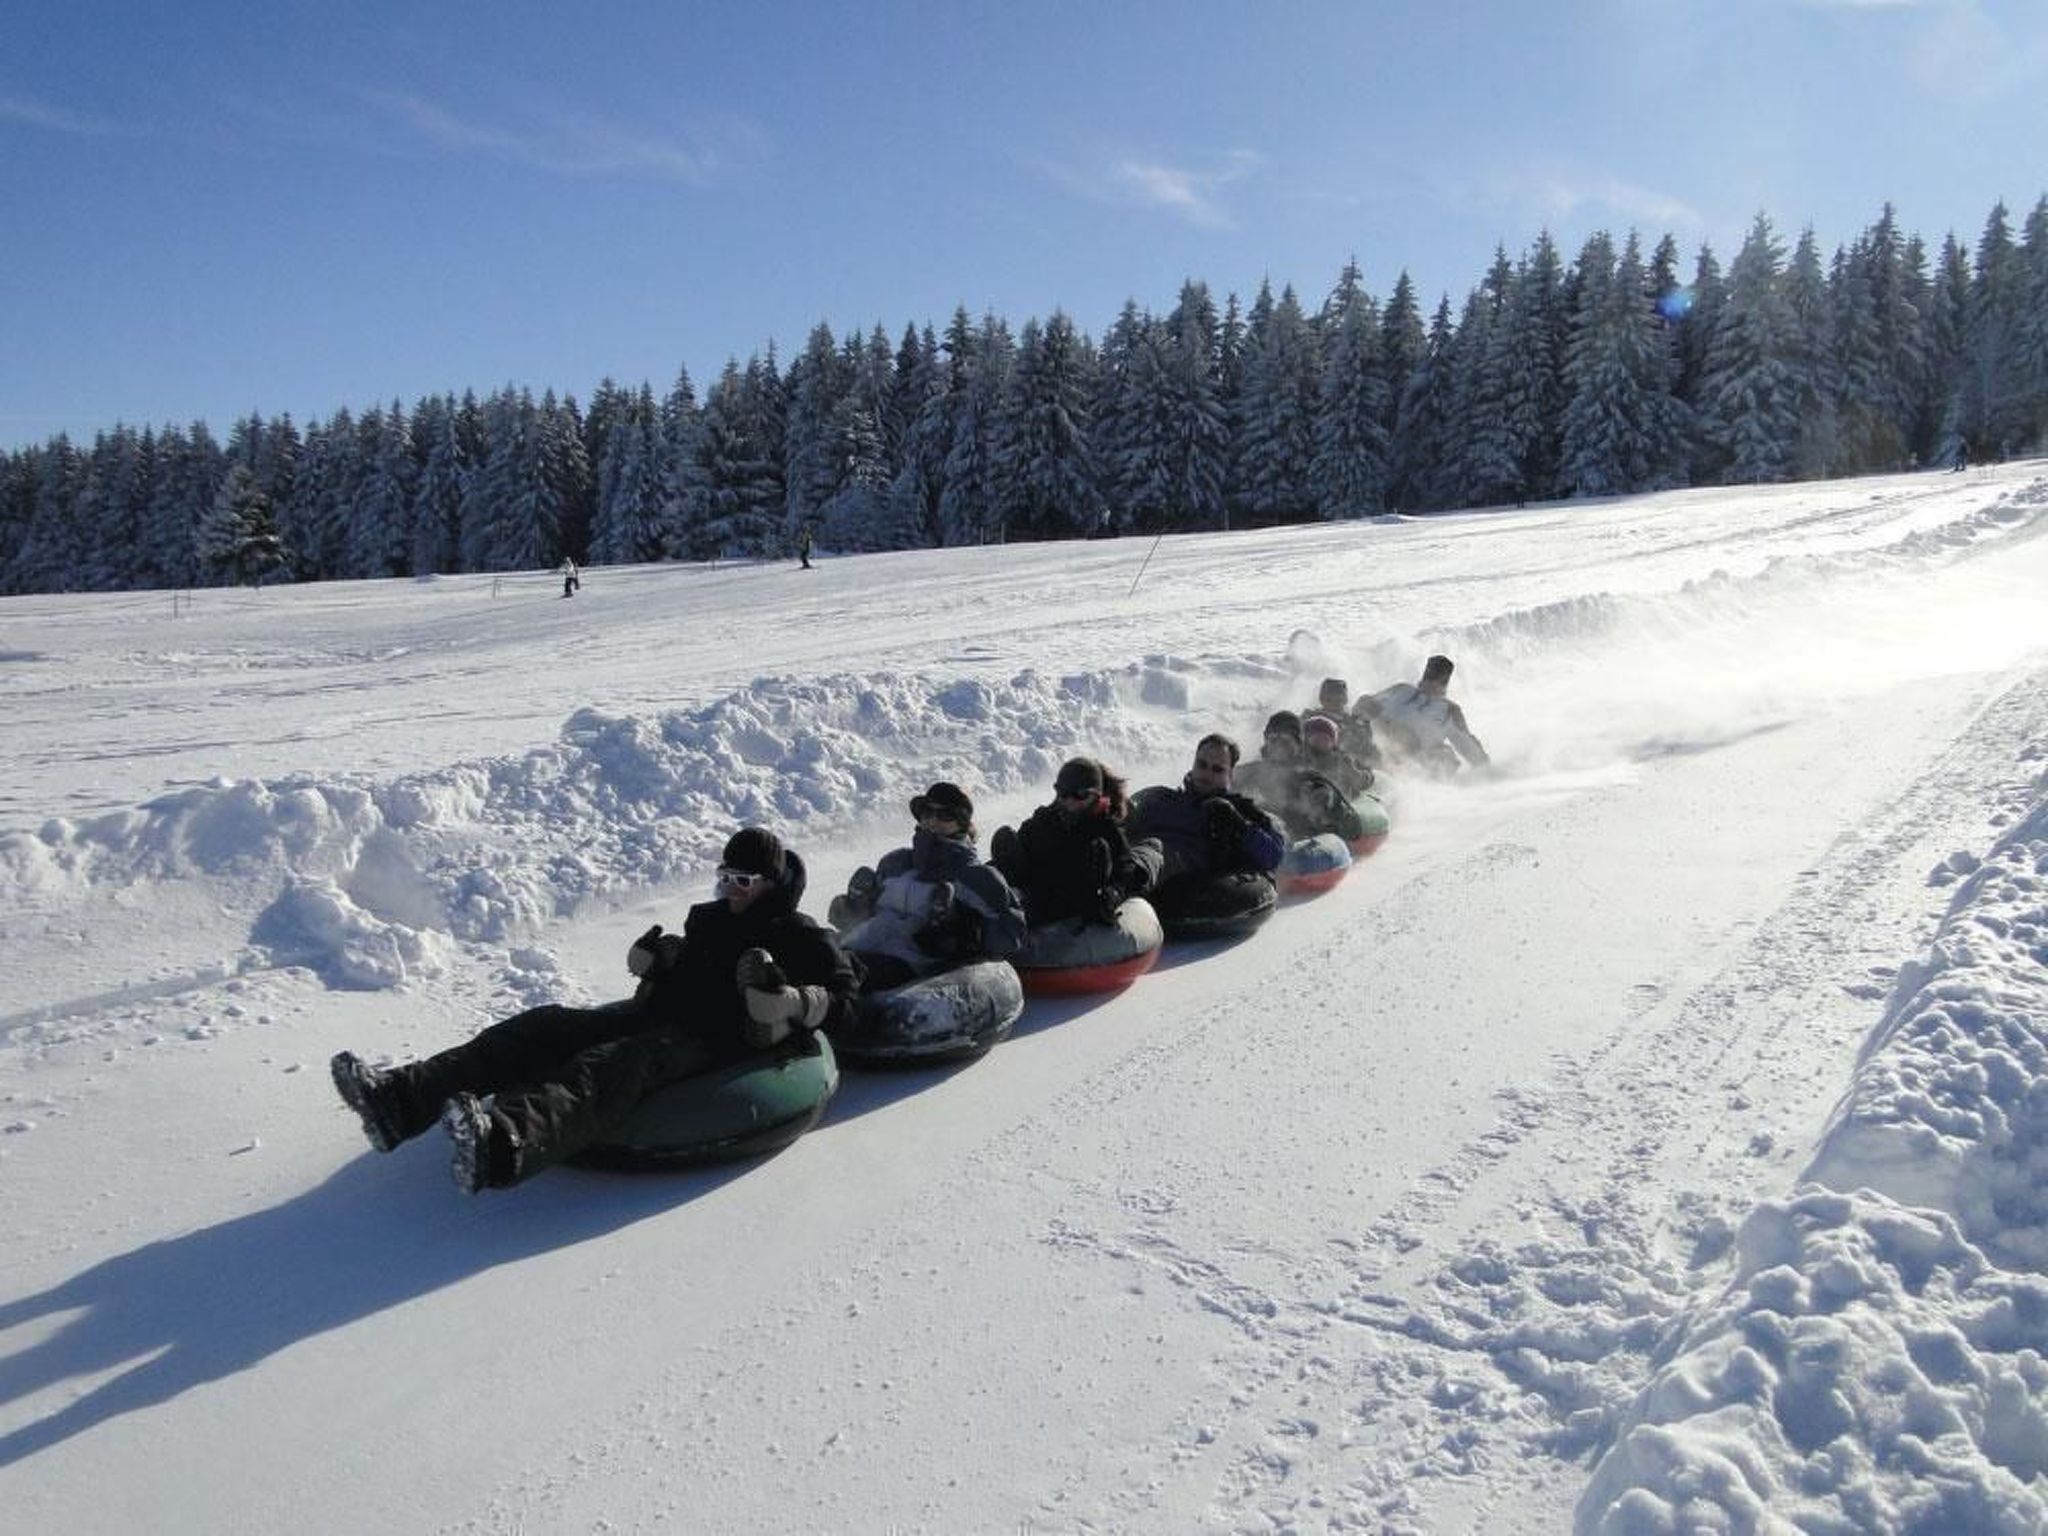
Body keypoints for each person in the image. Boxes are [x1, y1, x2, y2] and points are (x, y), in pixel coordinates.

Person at [329, 827, 857, 1193]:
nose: (731, 891)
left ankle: (503, 1144)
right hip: (666, 1012)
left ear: (770, 884)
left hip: (721, 1037)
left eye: (743, 882)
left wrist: (796, 1001)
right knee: (544, 1026)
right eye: (726, 878)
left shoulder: (800, 935)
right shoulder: (710, 918)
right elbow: (686, 972)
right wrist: (659, 962)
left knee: (614, 1062)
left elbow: (846, 1000)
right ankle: (401, 1100)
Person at [829, 781, 1028, 992]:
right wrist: (851, 906)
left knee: (846, 976)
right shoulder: (895, 862)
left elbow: (1013, 932)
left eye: (945, 815)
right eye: (927, 812)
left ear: (961, 823)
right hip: (863, 945)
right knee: (814, 953)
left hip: (914, 966)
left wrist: (964, 935)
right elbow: (869, 917)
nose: (933, 820)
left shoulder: (975, 877)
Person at [989, 756, 1164, 925]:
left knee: (1094, 851)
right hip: (1035, 885)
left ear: (1096, 796)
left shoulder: (1105, 828)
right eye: (1063, 794)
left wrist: (1113, 893)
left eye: (1080, 794)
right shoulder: (1044, 820)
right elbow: (1021, 849)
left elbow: (1127, 871)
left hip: (1077, 898)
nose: (1070, 801)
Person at [1127, 734, 1287, 887]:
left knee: (1155, 849)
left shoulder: (1239, 809)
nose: (1207, 774)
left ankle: (1126, 880)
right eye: (1202, 764)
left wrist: (1240, 827)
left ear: (1230, 775)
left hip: (1179, 874)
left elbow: (1273, 855)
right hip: (1137, 859)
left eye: (1217, 769)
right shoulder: (1161, 798)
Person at [1235, 712, 1368, 842]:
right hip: (1263, 841)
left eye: (1285, 740)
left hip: (1301, 844)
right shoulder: (1253, 771)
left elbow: (1354, 830)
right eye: (1273, 739)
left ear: (1298, 743)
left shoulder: (1311, 777)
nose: (1278, 746)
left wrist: (1329, 806)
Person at [1357, 654, 1489, 775]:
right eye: (1427, 678)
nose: (1427, 683)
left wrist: (1484, 768)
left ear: (1444, 684)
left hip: (1413, 759)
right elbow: (1365, 705)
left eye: (1434, 680)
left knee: (1444, 757)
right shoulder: (1402, 690)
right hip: (1376, 744)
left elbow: (1467, 746)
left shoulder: (1449, 711)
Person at [1302, 711, 1376, 798]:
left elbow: (1364, 781)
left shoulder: (1342, 759)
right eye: (1317, 739)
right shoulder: (1300, 757)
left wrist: (1355, 774)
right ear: (1307, 739)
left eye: (1326, 739)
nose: (1321, 742)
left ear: (1333, 742)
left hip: (1340, 803)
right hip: (1306, 803)